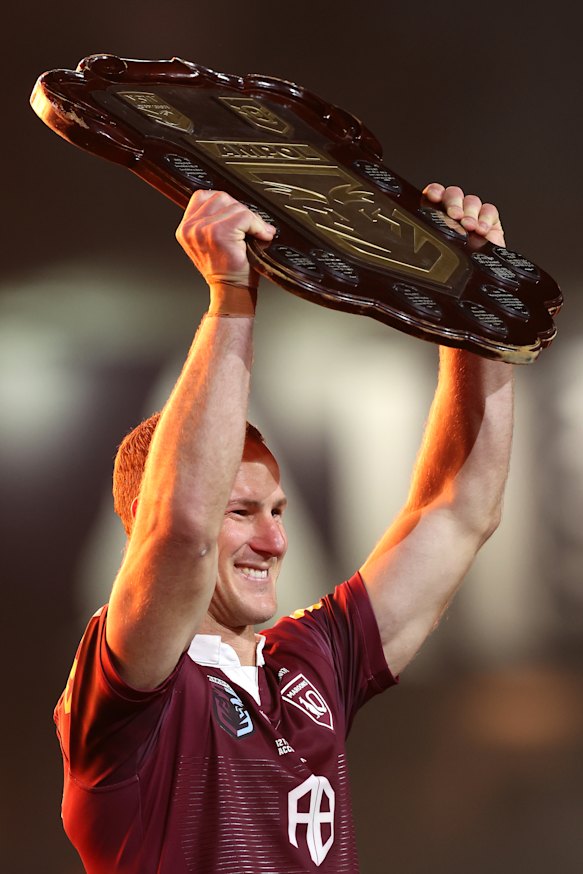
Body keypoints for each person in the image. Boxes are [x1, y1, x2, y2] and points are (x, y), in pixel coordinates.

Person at [55, 183, 513, 873]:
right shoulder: (128, 690)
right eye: (240, 512)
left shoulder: (312, 661)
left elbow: (459, 509)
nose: (273, 542)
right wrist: (230, 294)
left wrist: (477, 304)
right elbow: (183, 529)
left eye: (276, 512)